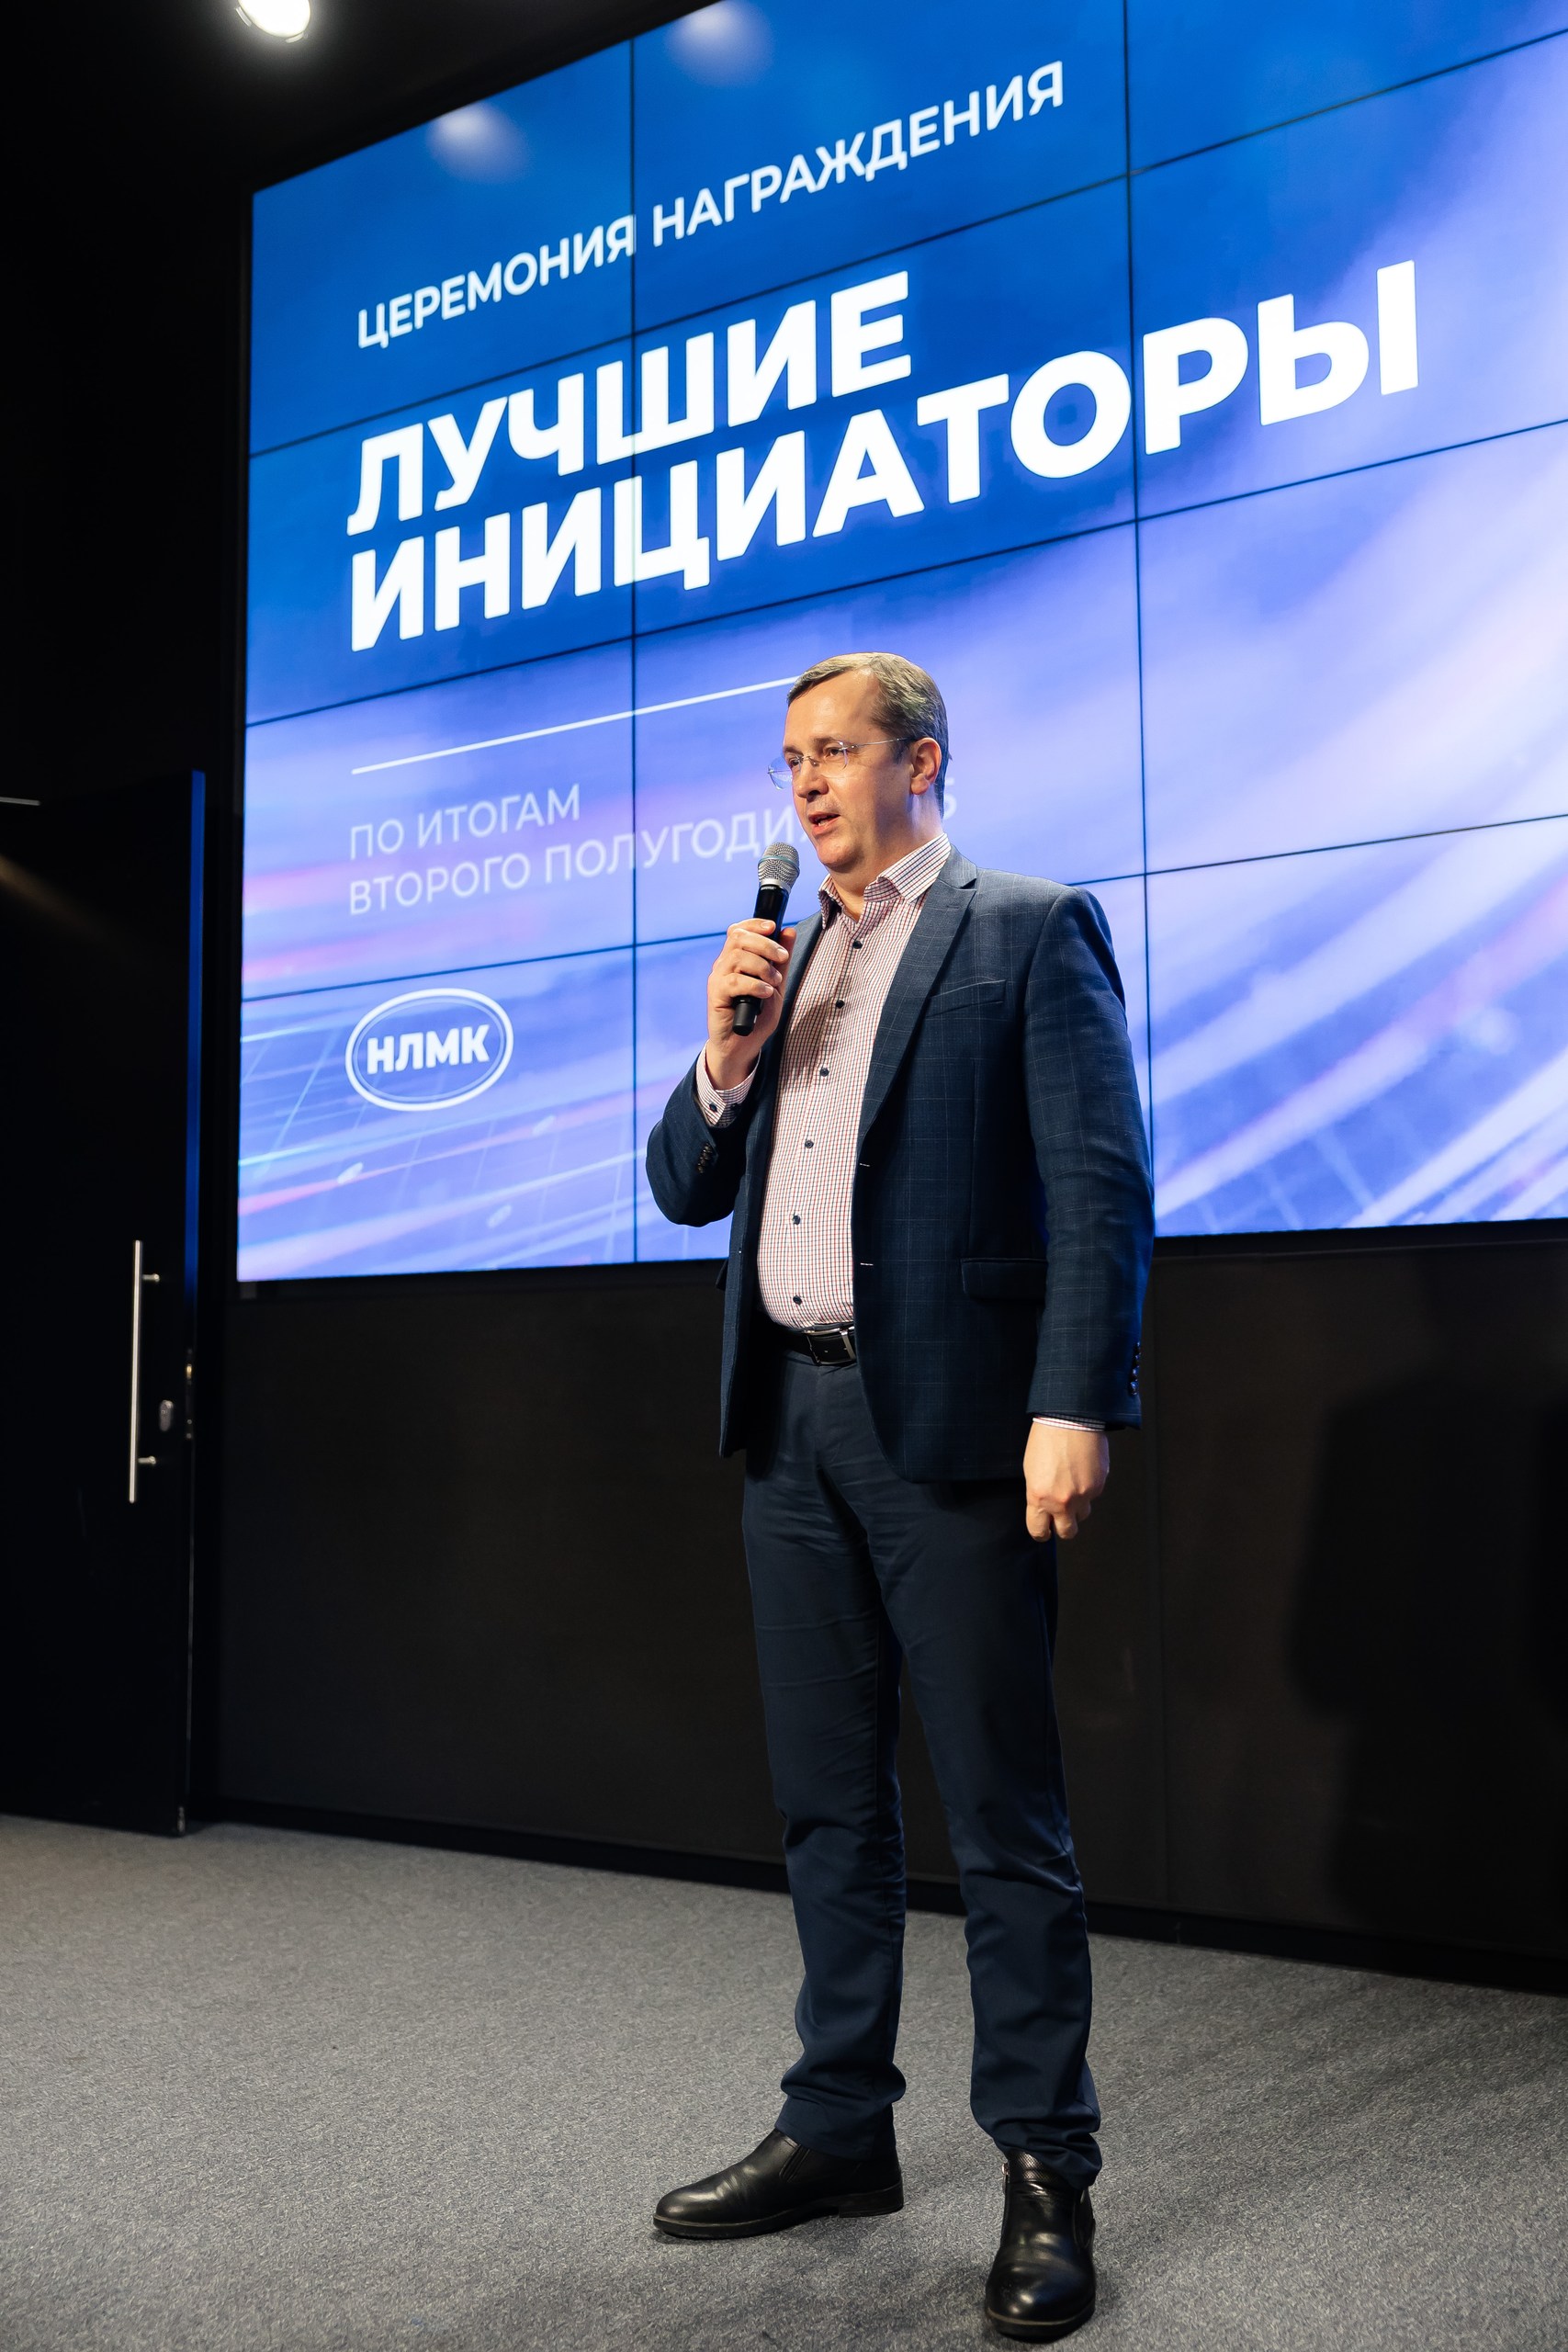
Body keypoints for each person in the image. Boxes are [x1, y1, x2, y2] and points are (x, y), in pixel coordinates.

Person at [643, 651, 1153, 2340]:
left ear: (921, 763)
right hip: (788, 1426)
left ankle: (1046, 2166)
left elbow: (1099, 1189)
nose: (805, 782)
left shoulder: (1027, 928)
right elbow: (682, 1188)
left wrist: (1075, 1399)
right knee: (826, 1805)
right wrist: (724, 1056)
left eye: (836, 750)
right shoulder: (784, 963)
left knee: (1002, 1817)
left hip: (952, 1428)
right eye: (790, 757)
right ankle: (838, 2124)